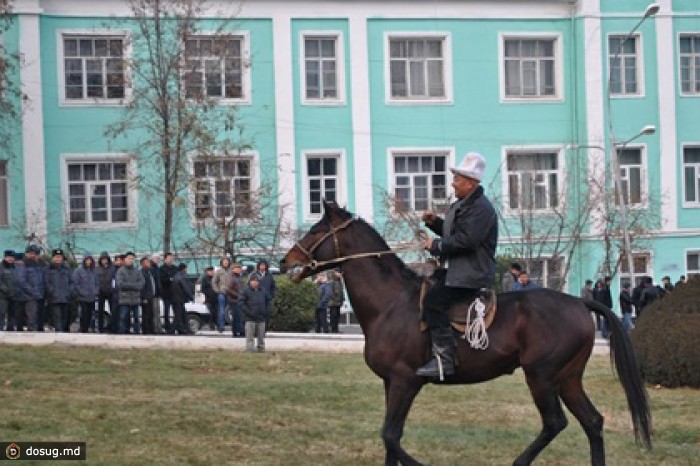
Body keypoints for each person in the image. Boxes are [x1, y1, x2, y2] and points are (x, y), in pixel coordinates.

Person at [418, 152, 498, 379]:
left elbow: (466, 240)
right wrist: (434, 223)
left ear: (471, 183)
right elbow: (452, 233)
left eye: (457, 179)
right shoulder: (463, 204)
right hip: (457, 271)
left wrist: (435, 245)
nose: (453, 184)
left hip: (471, 274)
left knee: (433, 302)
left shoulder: (481, 208)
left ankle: (445, 360)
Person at [239, 275, 270, 352]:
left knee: (261, 335)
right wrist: (248, 312)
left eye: (257, 281)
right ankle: (250, 348)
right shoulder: (245, 291)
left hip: (261, 317)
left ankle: (261, 348)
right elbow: (241, 303)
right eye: (253, 281)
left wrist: (266, 311)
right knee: (250, 335)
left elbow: (268, 301)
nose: (255, 282)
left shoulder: (263, 291)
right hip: (250, 317)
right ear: (250, 282)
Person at [44, 249, 73, 332]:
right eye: (56, 257)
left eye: (60, 257)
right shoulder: (49, 269)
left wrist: (69, 292)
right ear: (53, 258)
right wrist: (51, 292)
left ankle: (63, 334)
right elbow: (47, 283)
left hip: (65, 297)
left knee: (65, 318)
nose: (58, 259)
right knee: (57, 317)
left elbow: (72, 282)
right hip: (54, 298)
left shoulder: (67, 269)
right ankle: (59, 333)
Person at [72, 254, 99, 333]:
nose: (88, 262)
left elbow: (97, 283)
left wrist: (95, 292)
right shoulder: (78, 271)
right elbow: (75, 283)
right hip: (82, 298)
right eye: (87, 260)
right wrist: (81, 292)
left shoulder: (94, 271)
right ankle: (83, 329)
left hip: (92, 298)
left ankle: (87, 329)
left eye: (90, 260)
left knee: (90, 315)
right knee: (83, 315)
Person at [23, 245, 46, 331]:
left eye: (36, 253)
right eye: (32, 253)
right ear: (27, 254)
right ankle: (31, 336)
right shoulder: (23, 264)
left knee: (41, 317)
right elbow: (22, 281)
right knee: (32, 317)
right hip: (30, 296)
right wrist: (32, 292)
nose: (34, 255)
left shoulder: (42, 265)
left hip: (41, 294)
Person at [171, 263, 194, 335]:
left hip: (176, 299)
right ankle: (172, 330)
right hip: (179, 299)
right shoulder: (180, 277)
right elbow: (185, 288)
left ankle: (185, 329)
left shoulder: (176, 276)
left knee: (182, 315)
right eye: (186, 269)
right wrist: (191, 297)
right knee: (178, 316)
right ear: (183, 269)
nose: (187, 270)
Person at [159, 252, 178, 334]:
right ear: (165, 259)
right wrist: (170, 279)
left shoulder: (175, 268)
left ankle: (174, 326)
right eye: (169, 258)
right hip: (166, 293)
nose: (171, 260)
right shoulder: (162, 269)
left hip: (175, 293)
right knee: (166, 311)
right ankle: (167, 327)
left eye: (172, 258)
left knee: (176, 311)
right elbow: (162, 280)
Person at [95, 251, 114, 333]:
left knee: (113, 310)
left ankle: (112, 327)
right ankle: (100, 328)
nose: (104, 261)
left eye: (106, 259)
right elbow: (95, 281)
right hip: (100, 292)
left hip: (110, 292)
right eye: (103, 259)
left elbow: (114, 280)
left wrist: (112, 289)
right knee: (100, 311)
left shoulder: (112, 268)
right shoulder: (97, 269)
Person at [0, 249, 19, 331]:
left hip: (14, 295)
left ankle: (10, 330)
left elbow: (18, 280)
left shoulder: (16, 267)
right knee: (1, 313)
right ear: (5, 257)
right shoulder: (1, 267)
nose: (11, 259)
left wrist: (17, 290)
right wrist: (6, 290)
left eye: (12, 257)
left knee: (12, 314)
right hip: (3, 296)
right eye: (9, 257)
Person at [212, 257, 231, 332]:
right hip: (222, 293)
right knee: (221, 310)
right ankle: (221, 326)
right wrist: (217, 290)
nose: (226, 263)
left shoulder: (231, 271)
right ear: (222, 263)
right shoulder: (219, 271)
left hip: (230, 293)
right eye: (224, 261)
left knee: (230, 310)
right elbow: (214, 282)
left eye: (227, 261)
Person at [225, 263, 245, 337]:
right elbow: (228, 289)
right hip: (234, 300)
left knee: (237, 317)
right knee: (238, 316)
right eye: (238, 269)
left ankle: (236, 331)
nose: (240, 270)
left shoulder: (238, 277)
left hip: (237, 299)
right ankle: (239, 331)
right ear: (233, 269)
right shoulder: (231, 277)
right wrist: (238, 295)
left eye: (240, 269)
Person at [140, 257, 157, 335]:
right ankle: (146, 331)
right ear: (142, 264)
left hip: (151, 296)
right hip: (146, 297)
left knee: (151, 314)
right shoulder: (142, 273)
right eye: (147, 262)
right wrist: (143, 297)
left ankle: (151, 330)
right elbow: (142, 286)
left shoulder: (149, 273)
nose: (149, 264)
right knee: (146, 314)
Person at [327, 268, 345, 333]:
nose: (341, 275)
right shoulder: (332, 281)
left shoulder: (339, 281)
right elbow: (331, 292)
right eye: (339, 273)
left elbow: (341, 292)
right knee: (333, 317)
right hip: (333, 303)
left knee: (337, 316)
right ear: (335, 273)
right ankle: (333, 330)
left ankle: (336, 330)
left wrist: (342, 300)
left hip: (338, 303)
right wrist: (336, 299)